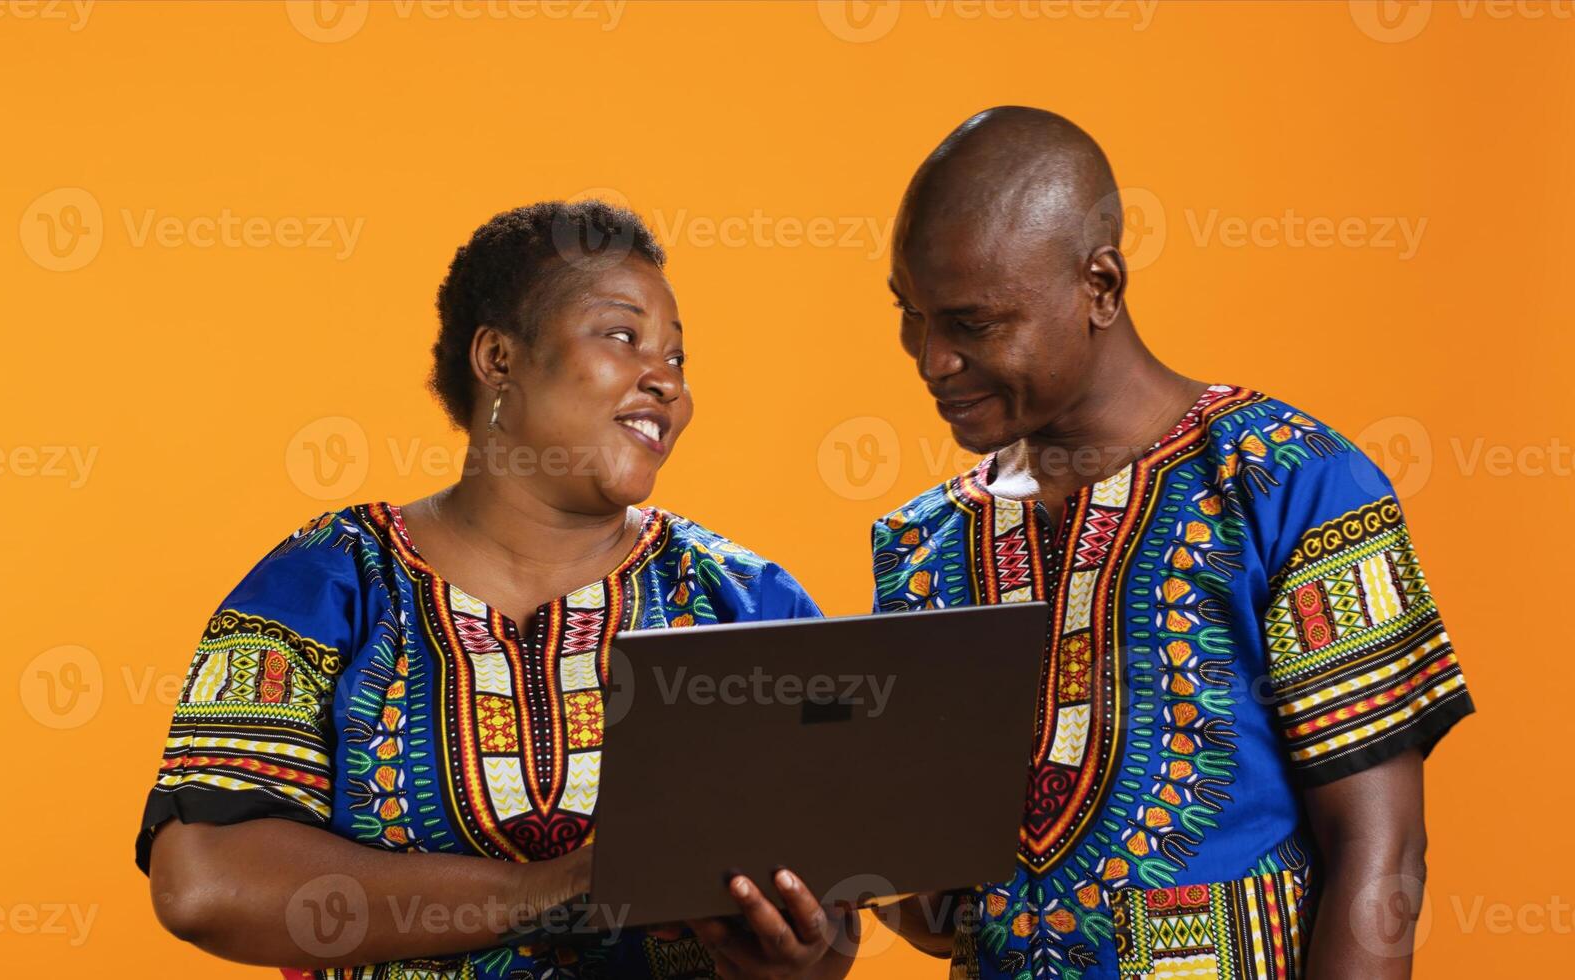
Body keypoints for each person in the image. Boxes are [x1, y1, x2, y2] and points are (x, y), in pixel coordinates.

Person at [137, 201, 857, 979]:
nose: (666, 381)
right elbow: (203, 883)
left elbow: (838, 926)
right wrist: (550, 888)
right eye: (623, 337)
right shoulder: (328, 582)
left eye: (678, 359)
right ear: (497, 359)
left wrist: (792, 958)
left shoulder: (742, 602)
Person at [868, 108, 1473, 979]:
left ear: (1100, 287)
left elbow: (1380, 853)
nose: (929, 359)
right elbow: (940, 909)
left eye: (972, 324)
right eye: (909, 313)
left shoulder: (1292, 484)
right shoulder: (926, 544)